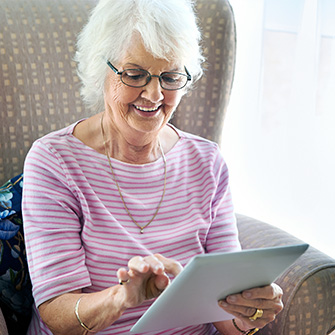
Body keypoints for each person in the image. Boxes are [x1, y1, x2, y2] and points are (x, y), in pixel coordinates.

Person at [22, 0, 283, 334]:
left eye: (171, 76)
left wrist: (250, 313)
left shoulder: (207, 162)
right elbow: (57, 314)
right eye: (135, 74)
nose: (154, 94)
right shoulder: (55, 161)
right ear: (101, 69)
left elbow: (224, 314)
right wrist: (121, 298)